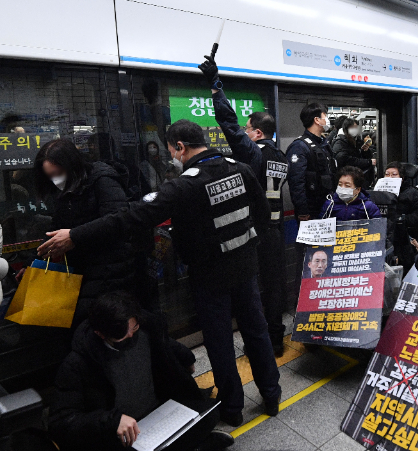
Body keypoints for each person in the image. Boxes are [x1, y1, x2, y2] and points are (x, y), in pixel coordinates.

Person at [37, 119, 281, 427]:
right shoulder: (241, 169)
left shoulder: (183, 185)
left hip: (209, 278)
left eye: (171, 151)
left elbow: (129, 217)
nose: (171, 157)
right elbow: (261, 214)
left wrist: (75, 236)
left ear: (180, 147)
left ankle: (232, 409)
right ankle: (271, 396)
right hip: (246, 269)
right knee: (257, 333)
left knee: (219, 343)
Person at [48, 292, 234, 451]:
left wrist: (185, 357)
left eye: (134, 328)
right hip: (124, 433)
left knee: (208, 413)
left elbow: (164, 342)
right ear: (100, 334)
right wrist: (111, 421)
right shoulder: (79, 361)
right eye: (122, 335)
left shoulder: (146, 329)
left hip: (158, 412)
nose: (131, 336)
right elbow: (60, 421)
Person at [202, 56, 289, 356]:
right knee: (275, 286)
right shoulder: (281, 157)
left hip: (255, 233)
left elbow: (227, 123)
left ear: (257, 133)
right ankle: (276, 339)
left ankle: (260, 343)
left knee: (252, 291)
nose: (245, 131)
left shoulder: (255, 154)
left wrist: (216, 85)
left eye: (248, 128)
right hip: (277, 230)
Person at [32, 138, 134, 325]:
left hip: (109, 268)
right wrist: (36, 263)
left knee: (87, 323)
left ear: (71, 166)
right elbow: (57, 226)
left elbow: (119, 219)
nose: (56, 180)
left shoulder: (102, 178)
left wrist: (73, 236)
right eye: (50, 176)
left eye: (59, 173)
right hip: (79, 269)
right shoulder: (64, 190)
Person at [286, 103, 337, 221]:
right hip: (311, 209)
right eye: (325, 116)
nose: (327, 120)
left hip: (328, 204)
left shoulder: (324, 144)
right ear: (317, 120)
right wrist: (302, 210)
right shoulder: (299, 146)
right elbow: (296, 182)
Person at [383, 162, 418, 271]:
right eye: (387, 174)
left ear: (402, 178)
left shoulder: (412, 193)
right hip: (385, 237)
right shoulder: (379, 192)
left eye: (394, 174)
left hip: (405, 238)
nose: (390, 177)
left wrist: (403, 219)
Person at [332, 118, 375, 186]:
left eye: (356, 127)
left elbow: (363, 156)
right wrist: (368, 162)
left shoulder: (357, 140)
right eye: (352, 127)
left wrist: (365, 151)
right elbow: (343, 159)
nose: (354, 129)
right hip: (346, 177)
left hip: (357, 177)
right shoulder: (340, 142)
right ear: (346, 128)